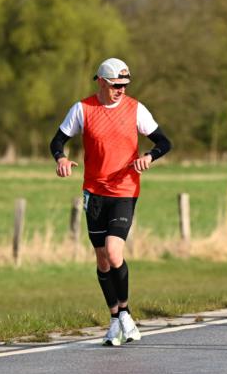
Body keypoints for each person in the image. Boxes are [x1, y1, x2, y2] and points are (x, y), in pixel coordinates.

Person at [50, 58, 172, 346]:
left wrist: (148, 157)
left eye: (125, 85)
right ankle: (115, 319)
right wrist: (61, 159)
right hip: (94, 193)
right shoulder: (82, 109)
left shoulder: (135, 109)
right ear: (102, 82)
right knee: (102, 259)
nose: (122, 90)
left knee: (114, 253)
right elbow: (57, 141)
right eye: (117, 85)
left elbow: (164, 142)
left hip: (124, 190)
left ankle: (126, 313)